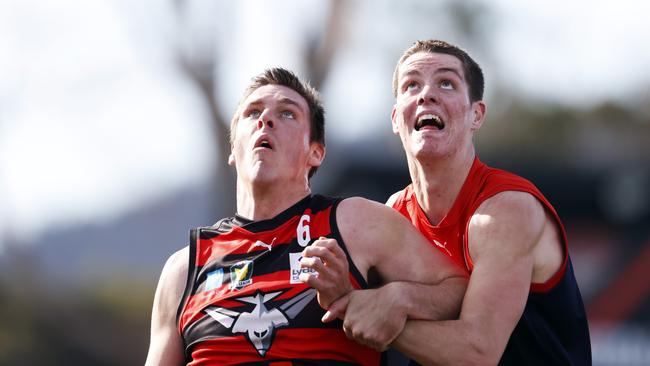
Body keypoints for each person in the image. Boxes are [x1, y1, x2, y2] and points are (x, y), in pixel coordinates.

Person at [144, 67, 468, 365]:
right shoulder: (185, 268)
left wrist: (395, 299)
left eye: (286, 113)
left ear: (315, 152)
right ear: (233, 150)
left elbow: (458, 288)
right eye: (253, 112)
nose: (265, 121)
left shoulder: (353, 223)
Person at [320, 40, 592, 365]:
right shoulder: (395, 214)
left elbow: (477, 353)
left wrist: (361, 310)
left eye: (446, 82)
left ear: (476, 115)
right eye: (411, 85)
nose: (426, 94)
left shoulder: (505, 210)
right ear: (395, 119)